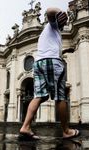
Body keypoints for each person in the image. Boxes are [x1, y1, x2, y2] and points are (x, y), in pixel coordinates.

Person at [19, 7, 80, 140]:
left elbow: (49, 52)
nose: (64, 24)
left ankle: (25, 126)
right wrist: (60, 13)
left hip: (39, 63)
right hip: (52, 62)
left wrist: (64, 52)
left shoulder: (48, 33)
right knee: (60, 96)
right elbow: (49, 11)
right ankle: (66, 131)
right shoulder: (53, 25)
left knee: (40, 96)